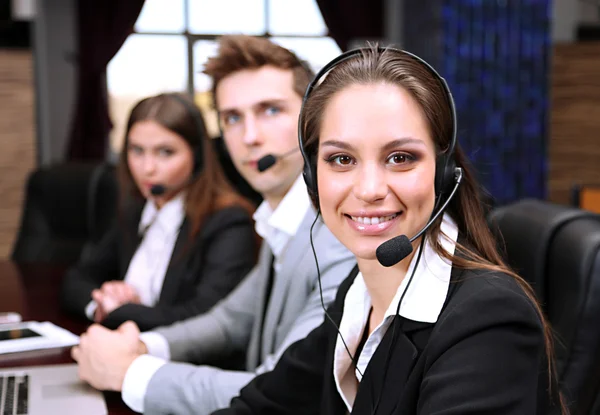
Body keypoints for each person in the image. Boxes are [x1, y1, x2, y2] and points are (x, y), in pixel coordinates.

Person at [212, 46, 567, 414]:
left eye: (400, 158)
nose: (368, 190)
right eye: (342, 159)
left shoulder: (490, 323)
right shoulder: (361, 292)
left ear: (444, 173)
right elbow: (261, 405)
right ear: (312, 177)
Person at [70, 35, 356, 414]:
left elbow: (282, 394)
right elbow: (230, 321)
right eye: (233, 118)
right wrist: (143, 347)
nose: (250, 138)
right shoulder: (281, 222)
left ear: (313, 121)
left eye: (270, 110)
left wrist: (130, 372)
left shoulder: (342, 237)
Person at [61, 92, 258, 331]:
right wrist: (101, 303)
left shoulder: (228, 221)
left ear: (196, 156)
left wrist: (120, 312)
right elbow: (77, 278)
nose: (147, 168)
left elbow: (204, 317)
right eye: (136, 150)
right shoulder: (135, 210)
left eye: (165, 152)